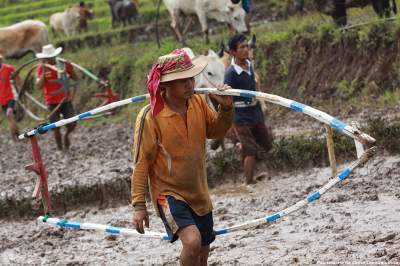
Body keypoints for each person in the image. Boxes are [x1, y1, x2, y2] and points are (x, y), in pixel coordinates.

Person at [131, 48, 233, 265]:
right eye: (182, 81)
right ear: (166, 85)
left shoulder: (197, 103)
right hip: (167, 194)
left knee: (202, 255)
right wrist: (139, 205)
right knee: (192, 242)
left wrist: (225, 109)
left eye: (190, 78)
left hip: (199, 192)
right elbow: (141, 163)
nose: (189, 84)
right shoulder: (151, 116)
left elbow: (215, 131)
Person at [224, 34, 273, 185]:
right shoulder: (230, 74)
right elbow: (228, 98)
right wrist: (231, 122)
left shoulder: (250, 64)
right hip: (240, 115)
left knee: (266, 143)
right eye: (242, 47)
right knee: (250, 150)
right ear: (233, 52)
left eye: (247, 46)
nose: (246, 49)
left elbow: (255, 85)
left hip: (255, 111)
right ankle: (249, 182)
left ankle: (242, 148)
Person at [36, 44, 79, 151]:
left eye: (51, 57)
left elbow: (75, 78)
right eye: (47, 57)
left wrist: (71, 69)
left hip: (66, 99)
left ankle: (66, 136)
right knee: (55, 127)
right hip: (51, 102)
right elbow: (38, 86)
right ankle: (60, 149)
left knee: (72, 123)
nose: (49, 59)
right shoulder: (41, 68)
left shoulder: (64, 64)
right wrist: (43, 75)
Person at [0, 53, 20, 141]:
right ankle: (18, 135)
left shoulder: (8, 68)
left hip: (10, 96)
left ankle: (14, 139)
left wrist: (20, 90)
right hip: (2, 99)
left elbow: (17, 79)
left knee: (9, 114)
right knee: (10, 118)